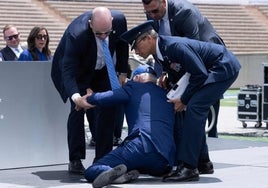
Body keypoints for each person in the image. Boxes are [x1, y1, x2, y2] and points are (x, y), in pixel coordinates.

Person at [120, 20, 241, 182]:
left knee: (195, 108)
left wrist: (183, 99)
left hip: (222, 67)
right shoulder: (161, 52)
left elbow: (199, 74)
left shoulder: (173, 47)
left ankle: (189, 168)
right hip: (211, 69)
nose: (135, 52)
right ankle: (202, 161)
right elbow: (181, 71)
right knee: (192, 109)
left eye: (135, 46)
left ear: (148, 39)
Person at [51, 7, 129, 174]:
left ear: (112, 24)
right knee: (78, 109)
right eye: (98, 33)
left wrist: (122, 71)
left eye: (107, 33)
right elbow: (68, 70)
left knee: (108, 105)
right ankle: (75, 159)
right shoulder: (76, 35)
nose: (103, 37)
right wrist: (76, 96)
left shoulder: (120, 21)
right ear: (90, 24)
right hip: (76, 70)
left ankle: (103, 158)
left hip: (101, 69)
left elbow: (122, 44)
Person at [75, 65, 175, 188]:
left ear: (137, 77)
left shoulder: (133, 86)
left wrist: (87, 99)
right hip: (163, 158)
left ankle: (110, 172)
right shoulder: (167, 95)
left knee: (92, 170)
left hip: (139, 145)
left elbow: (108, 96)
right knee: (143, 164)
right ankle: (126, 173)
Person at [142, 0, 224, 139]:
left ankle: (211, 132)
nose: (152, 15)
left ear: (163, 2)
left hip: (206, 53)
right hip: (178, 53)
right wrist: (163, 71)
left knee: (205, 91)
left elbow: (192, 49)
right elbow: (159, 44)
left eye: (155, 11)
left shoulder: (185, 12)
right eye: (148, 12)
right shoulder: (152, 13)